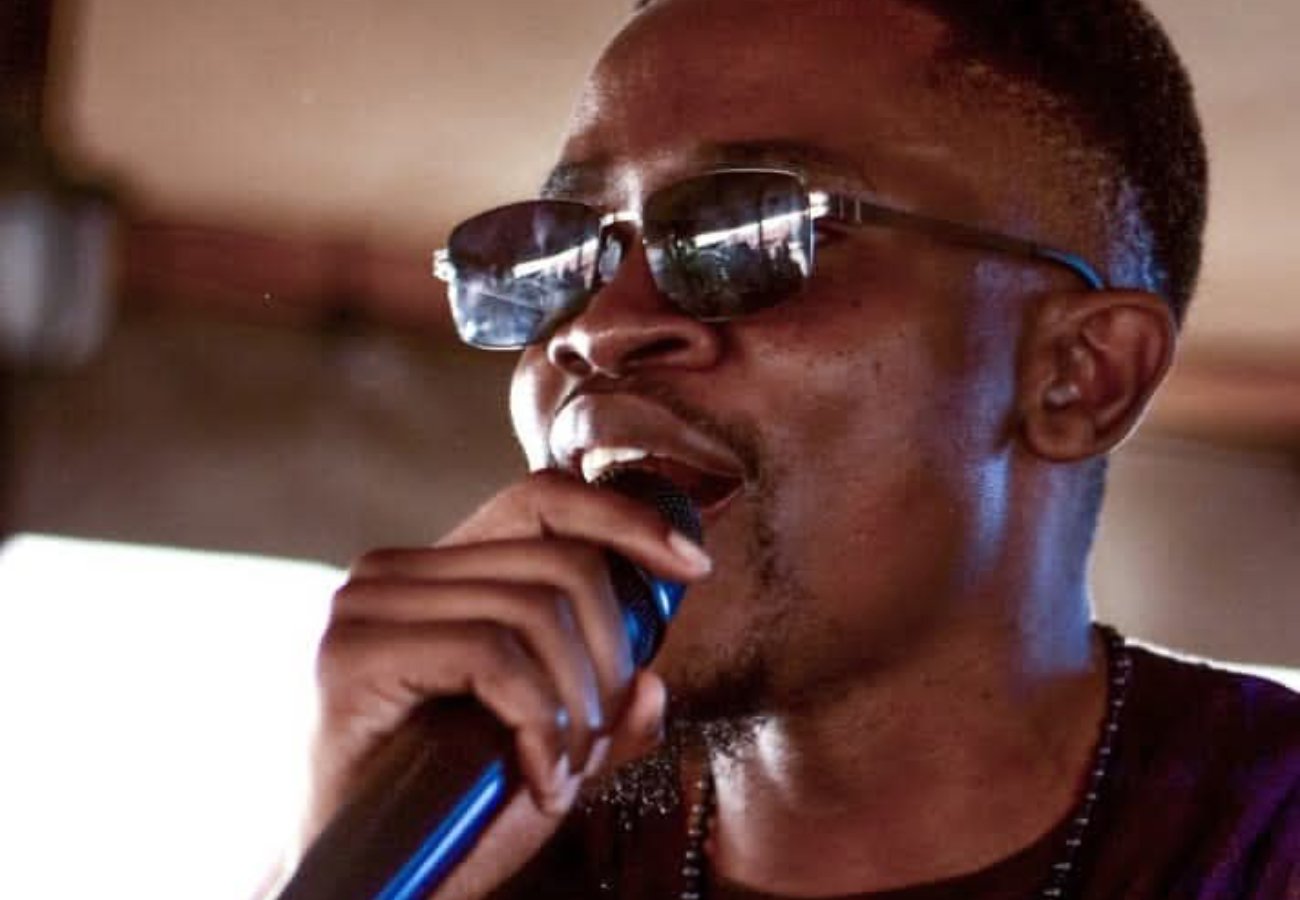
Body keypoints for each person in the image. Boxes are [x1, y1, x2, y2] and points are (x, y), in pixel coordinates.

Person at [297, 0, 1300, 897]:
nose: (596, 328)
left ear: (1080, 375)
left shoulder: (1264, 832)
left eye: (746, 232)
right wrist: (344, 853)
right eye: (569, 250)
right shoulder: (487, 846)